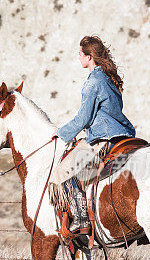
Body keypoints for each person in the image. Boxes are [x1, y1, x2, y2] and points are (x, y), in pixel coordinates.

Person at [51, 36, 136, 236]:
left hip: (104, 137)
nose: (78, 56)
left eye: (81, 53)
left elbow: (83, 118)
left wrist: (61, 132)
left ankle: (81, 219)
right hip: (123, 134)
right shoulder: (108, 78)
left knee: (64, 171)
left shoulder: (94, 82)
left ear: (89, 57)